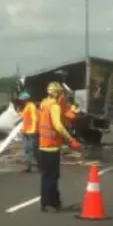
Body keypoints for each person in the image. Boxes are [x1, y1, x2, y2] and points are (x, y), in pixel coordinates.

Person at [37, 82, 81, 212]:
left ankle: (47, 202)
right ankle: (52, 203)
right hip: (52, 146)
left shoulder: (44, 103)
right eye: (62, 93)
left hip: (42, 145)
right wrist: (70, 138)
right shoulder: (54, 106)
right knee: (53, 176)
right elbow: (58, 125)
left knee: (46, 176)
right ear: (58, 93)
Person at [17, 91, 38, 172]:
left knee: (31, 148)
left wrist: (33, 129)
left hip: (30, 131)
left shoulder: (31, 106)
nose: (21, 101)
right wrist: (19, 112)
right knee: (26, 149)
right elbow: (24, 116)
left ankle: (34, 164)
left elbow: (34, 118)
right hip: (25, 130)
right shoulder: (26, 106)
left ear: (26, 99)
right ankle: (28, 166)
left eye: (22, 99)